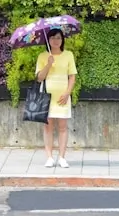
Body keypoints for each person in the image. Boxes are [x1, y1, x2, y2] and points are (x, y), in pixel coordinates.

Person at [35, 28, 77, 168]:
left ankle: (62, 157)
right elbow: (39, 78)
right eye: (52, 38)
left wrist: (67, 93)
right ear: (48, 40)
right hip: (47, 97)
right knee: (48, 127)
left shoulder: (68, 55)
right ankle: (49, 157)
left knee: (63, 127)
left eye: (58, 38)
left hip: (63, 97)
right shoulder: (42, 56)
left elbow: (72, 76)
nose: (55, 41)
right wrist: (48, 64)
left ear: (62, 40)